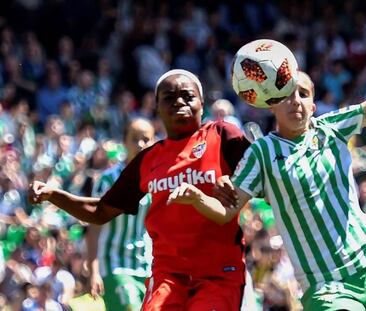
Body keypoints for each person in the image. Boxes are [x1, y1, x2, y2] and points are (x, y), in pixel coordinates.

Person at [168, 64, 366, 311]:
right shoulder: (262, 153)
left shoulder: (332, 129)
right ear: (272, 104)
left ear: (313, 106)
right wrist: (199, 199)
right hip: (325, 283)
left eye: (303, 94)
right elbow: (227, 210)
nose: (295, 101)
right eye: (286, 95)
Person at [28, 69, 251, 310]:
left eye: (187, 96)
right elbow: (99, 211)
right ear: (156, 106)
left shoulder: (223, 135)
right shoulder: (148, 160)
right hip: (168, 277)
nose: (178, 101)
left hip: (218, 274)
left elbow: (264, 178)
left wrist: (237, 183)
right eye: (169, 97)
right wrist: (53, 194)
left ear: (201, 101)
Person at [85, 118, 155, 310]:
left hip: (146, 268)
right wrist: (93, 270)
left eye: (146, 139)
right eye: (134, 139)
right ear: (124, 142)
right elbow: (94, 225)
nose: (140, 144)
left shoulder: (155, 181)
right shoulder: (109, 180)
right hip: (115, 266)